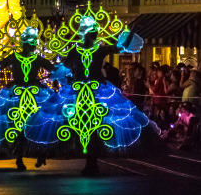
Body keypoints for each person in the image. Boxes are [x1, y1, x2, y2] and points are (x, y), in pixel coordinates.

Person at [48, 15, 153, 176]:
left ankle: (92, 160)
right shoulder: (76, 50)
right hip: (78, 91)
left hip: (97, 91)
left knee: (97, 124)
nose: (96, 35)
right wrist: (53, 71)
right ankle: (88, 158)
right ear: (86, 33)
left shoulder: (99, 49)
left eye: (95, 32)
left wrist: (132, 31)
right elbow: (65, 67)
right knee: (76, 123)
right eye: (93, 32)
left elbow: (121, 45)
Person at [0, 27, 54, 171]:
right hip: (15, 94)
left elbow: (54, 69)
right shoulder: (14, 57)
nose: (33, 44)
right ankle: (19, 158)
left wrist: (65, 72)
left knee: (38, 124)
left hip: (36, 92)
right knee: (16, 125)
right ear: (25, 43)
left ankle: (40, 154)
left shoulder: (38, 59)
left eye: (34, 42)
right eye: (31, 42)